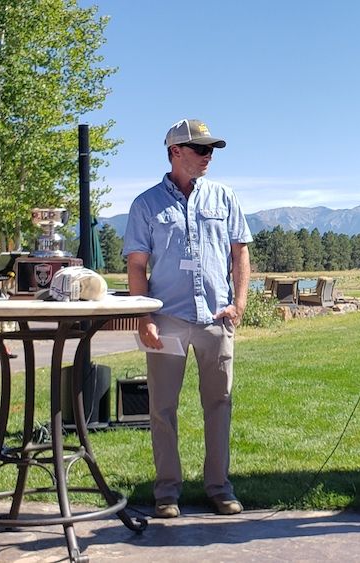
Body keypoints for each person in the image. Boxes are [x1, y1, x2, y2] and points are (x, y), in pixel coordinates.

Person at [122, 118, 252, 519]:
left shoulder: (224, 197)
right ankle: (167, 492)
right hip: (167, 320)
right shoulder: (145, 205)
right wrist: (144, 316)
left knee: (219, 403)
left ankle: (219, 488)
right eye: (201, 149)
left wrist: (240, 303)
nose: (208, 156)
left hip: (216, 318)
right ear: (175, 151)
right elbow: (137, 267)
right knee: (163, 408)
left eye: (211, 149)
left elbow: (240, 253)